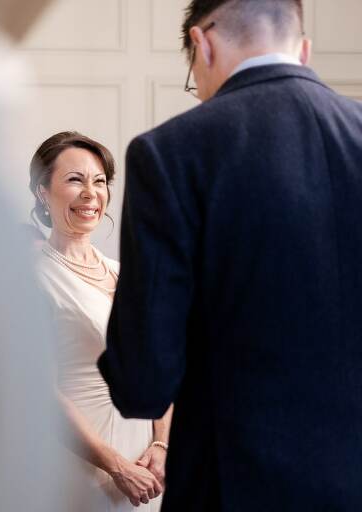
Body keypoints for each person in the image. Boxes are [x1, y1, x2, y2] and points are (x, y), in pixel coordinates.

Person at [98, 1, 362, 510]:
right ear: (302, 49)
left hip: (231, 487)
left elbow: (142, 385)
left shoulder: (171, 153)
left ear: (203, 44)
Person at [30, 131, 171, 510]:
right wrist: (116, 466)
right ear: (43, 192)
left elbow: (160, 368)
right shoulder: (32, 278)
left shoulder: (126, 273)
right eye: (75, 180)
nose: (91, 193)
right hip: (80, 469)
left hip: (147, 472)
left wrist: (161, 445)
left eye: (99, 181)